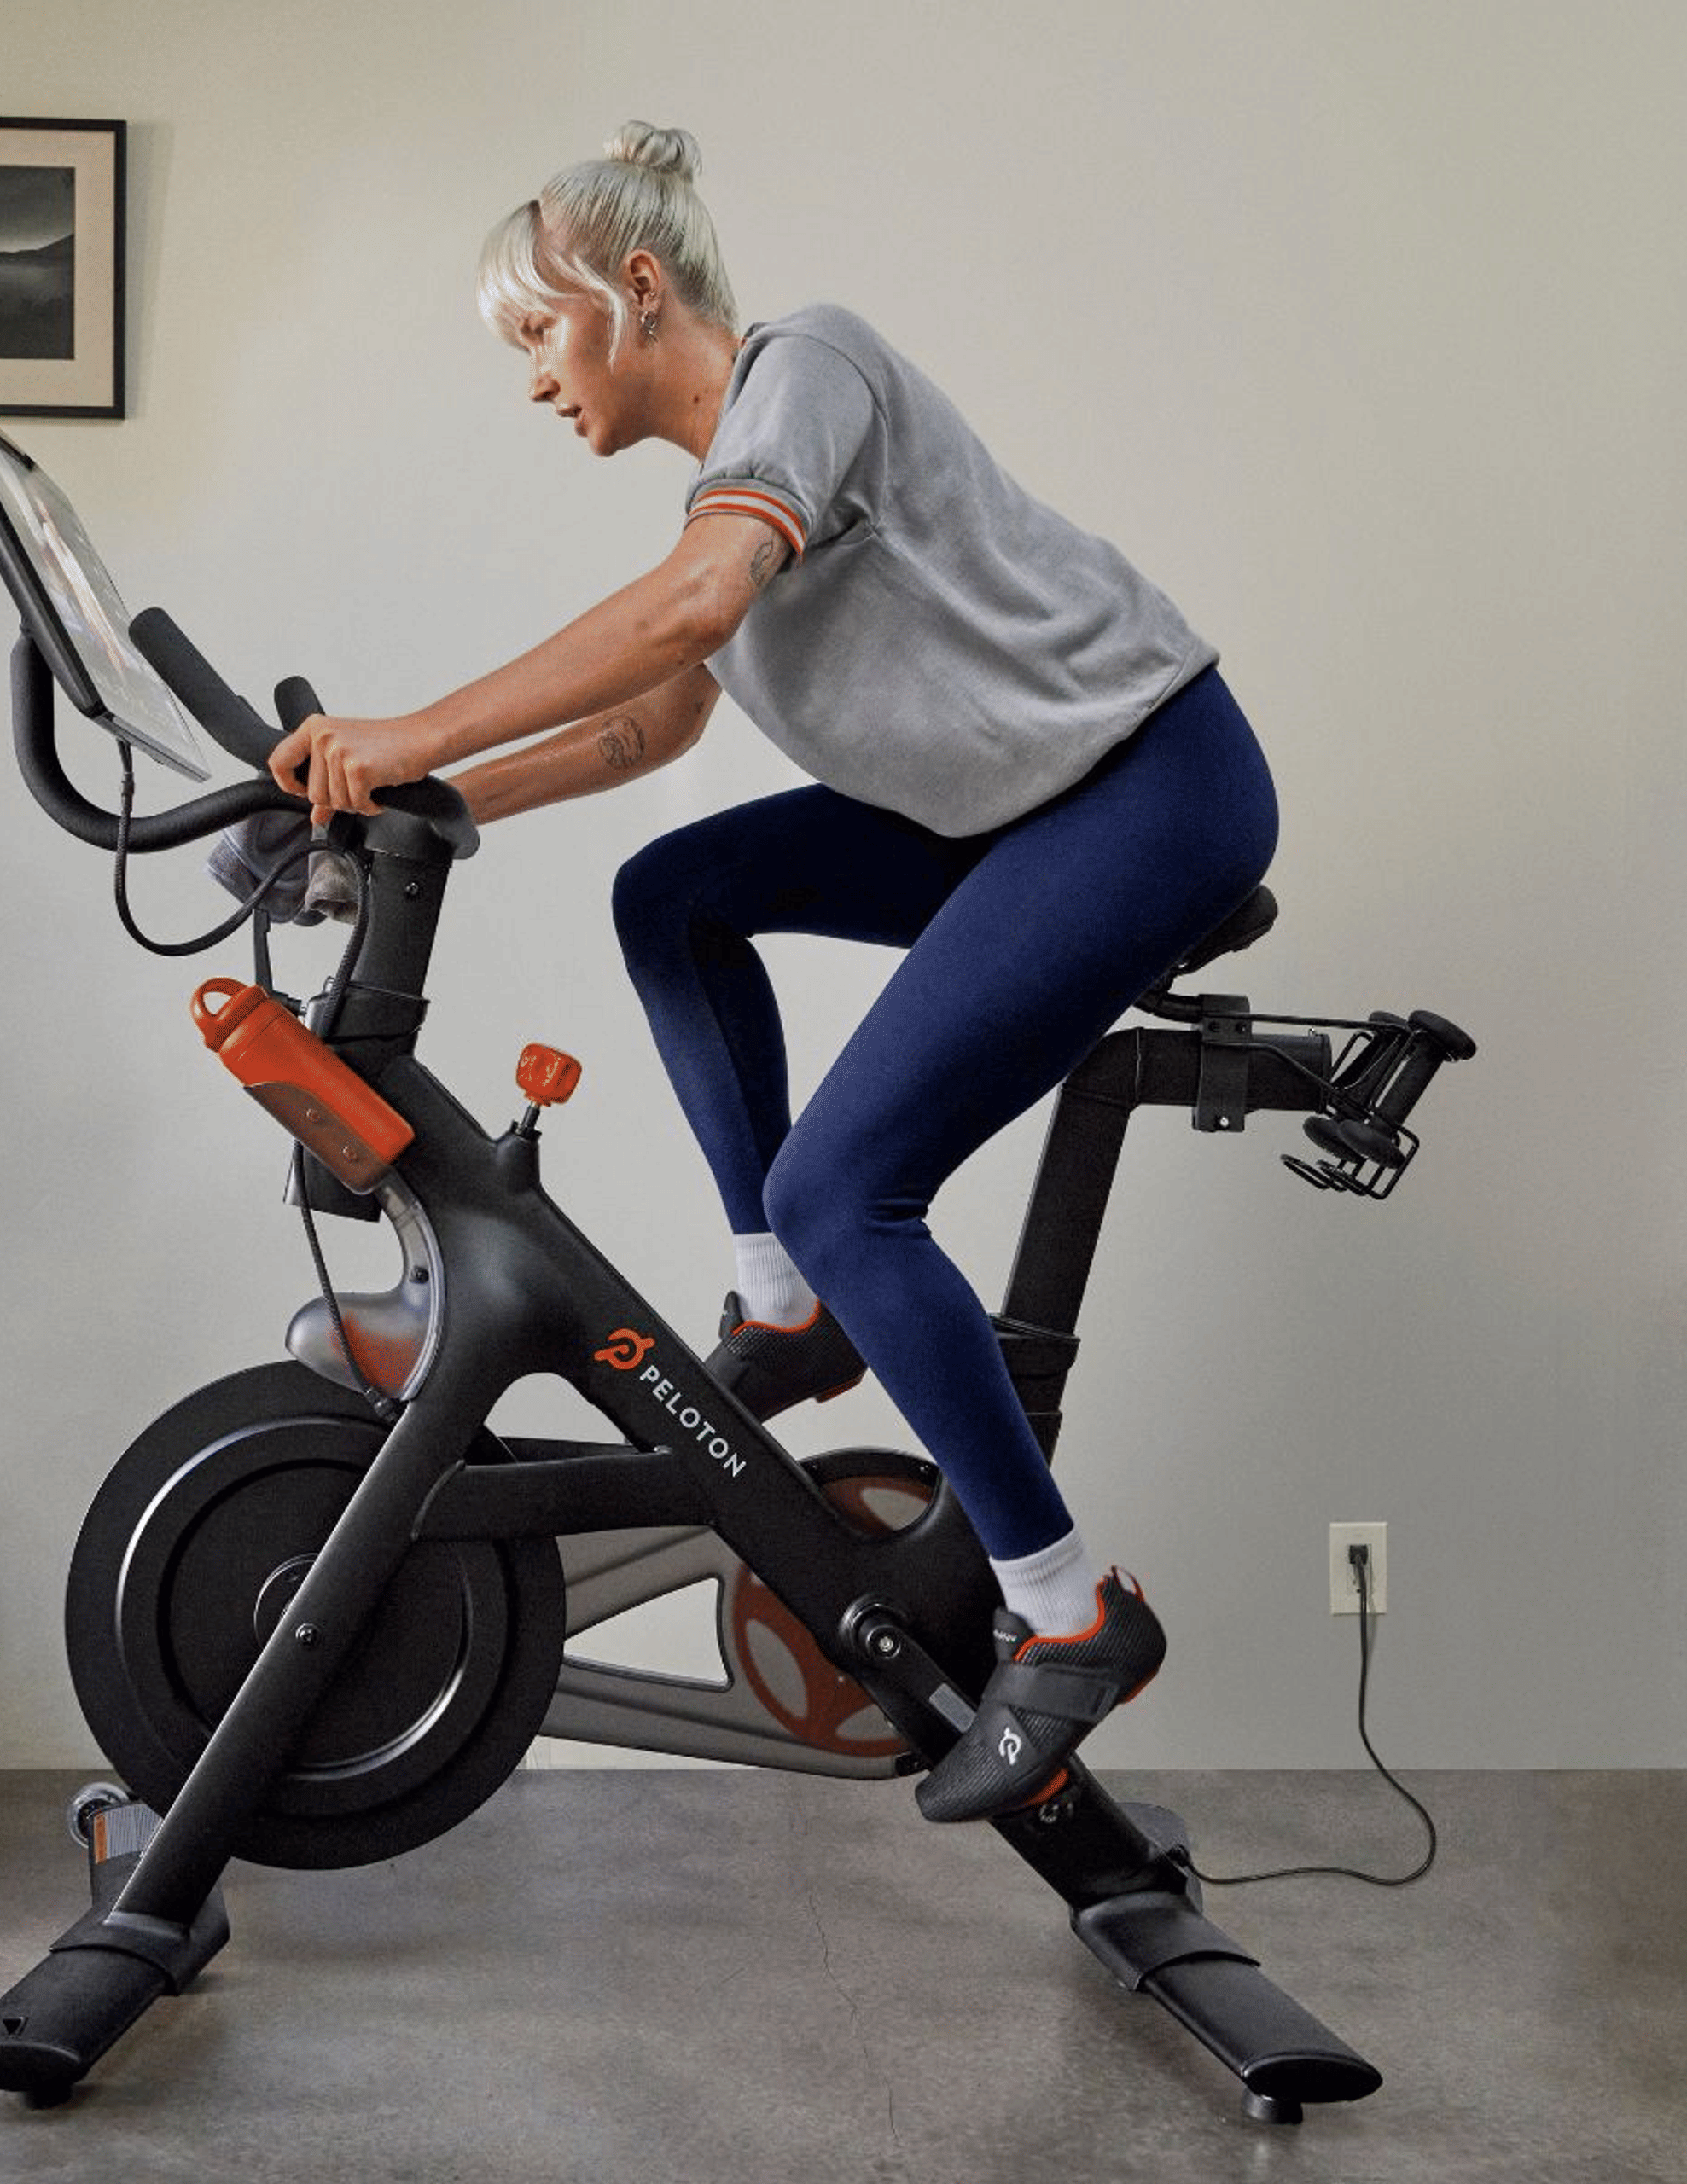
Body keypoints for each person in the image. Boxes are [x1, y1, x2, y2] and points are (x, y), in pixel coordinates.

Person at [267, 123, 1277, 1821]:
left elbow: (685, 613)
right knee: (679, 889)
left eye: (539, 334)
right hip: (1026, 814)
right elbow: (641, 724)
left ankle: (1072, 1606)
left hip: (1150, 790)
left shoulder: (806, 370)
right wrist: (394, 811)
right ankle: (790, 1308)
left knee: (849, 1184)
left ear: (636, 290)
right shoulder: (724, 505)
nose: (531, 381)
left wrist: (410, 728)